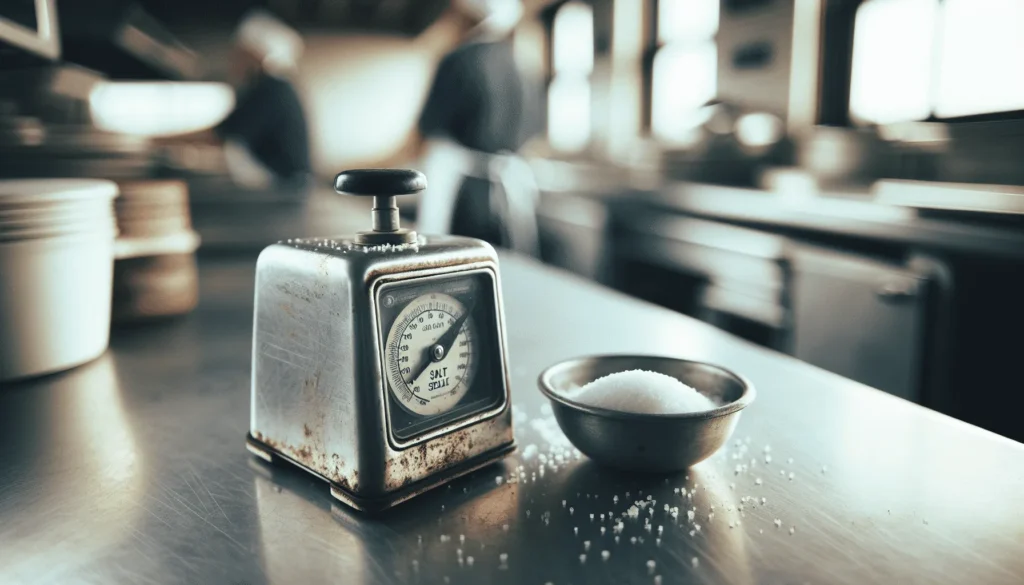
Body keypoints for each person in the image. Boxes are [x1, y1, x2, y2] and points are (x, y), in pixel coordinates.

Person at [412, 0, 542, 253]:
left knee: (455, 263)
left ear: (470, 20)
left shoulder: (457, 60)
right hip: (505, 193)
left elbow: (430, 125)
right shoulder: (522, 65)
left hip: (463, 192)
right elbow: (534, 127)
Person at [216, 10, 311, 195]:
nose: (234, 60)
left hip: (284, 188)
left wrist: (163, 139)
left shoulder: (270, 88)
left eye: (241, 53)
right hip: (285, 186)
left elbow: (226, 132)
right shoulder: (275, 85)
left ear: (258, 54)